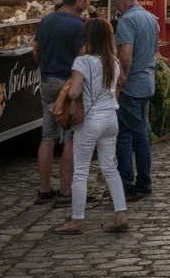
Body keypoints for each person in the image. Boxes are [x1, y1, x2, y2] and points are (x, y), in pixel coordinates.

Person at [54, 16, 129, 235]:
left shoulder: (83, 61)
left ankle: (76, 220)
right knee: (110, 168)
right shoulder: (113, 61)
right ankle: (120, 214)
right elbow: (116, 89)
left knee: (81, 171)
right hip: (110, 119)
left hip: (90, 121)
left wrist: (66, 93)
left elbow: (76, 91)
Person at [32, 0, 90, 205]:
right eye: (87, 1)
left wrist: (43, 65)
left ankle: (44, 189)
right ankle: (66, 190)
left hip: (47, 81)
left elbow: (36, 49)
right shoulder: (78, 25)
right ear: (79, 1)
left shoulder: (47, 20)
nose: (88, 6)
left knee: (47, 136)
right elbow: (83, 56)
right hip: (68, 85)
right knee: (70, 137)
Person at [112, 0, 160, 199]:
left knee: (126, 135)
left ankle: (129, 183)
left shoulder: (127, 21)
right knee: (140, 133)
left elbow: (126, 55)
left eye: (115, 0)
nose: (114, 5)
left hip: (132, 85)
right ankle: (142, 181)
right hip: (147, 81)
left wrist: (120, 80)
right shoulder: (151, 19)